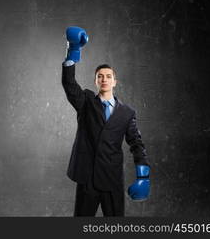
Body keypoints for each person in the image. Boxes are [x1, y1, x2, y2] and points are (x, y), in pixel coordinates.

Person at [61, 26, 150, 217]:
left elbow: (137, 144)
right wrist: (72, 52)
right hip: (87, 179)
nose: (104, 79)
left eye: (108, 76)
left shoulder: (127, 113)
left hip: (112, 180)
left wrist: (143, 176)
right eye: (100, 76)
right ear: (95, 81)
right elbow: (69, 84)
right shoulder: (85, 102)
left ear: (115, 82)